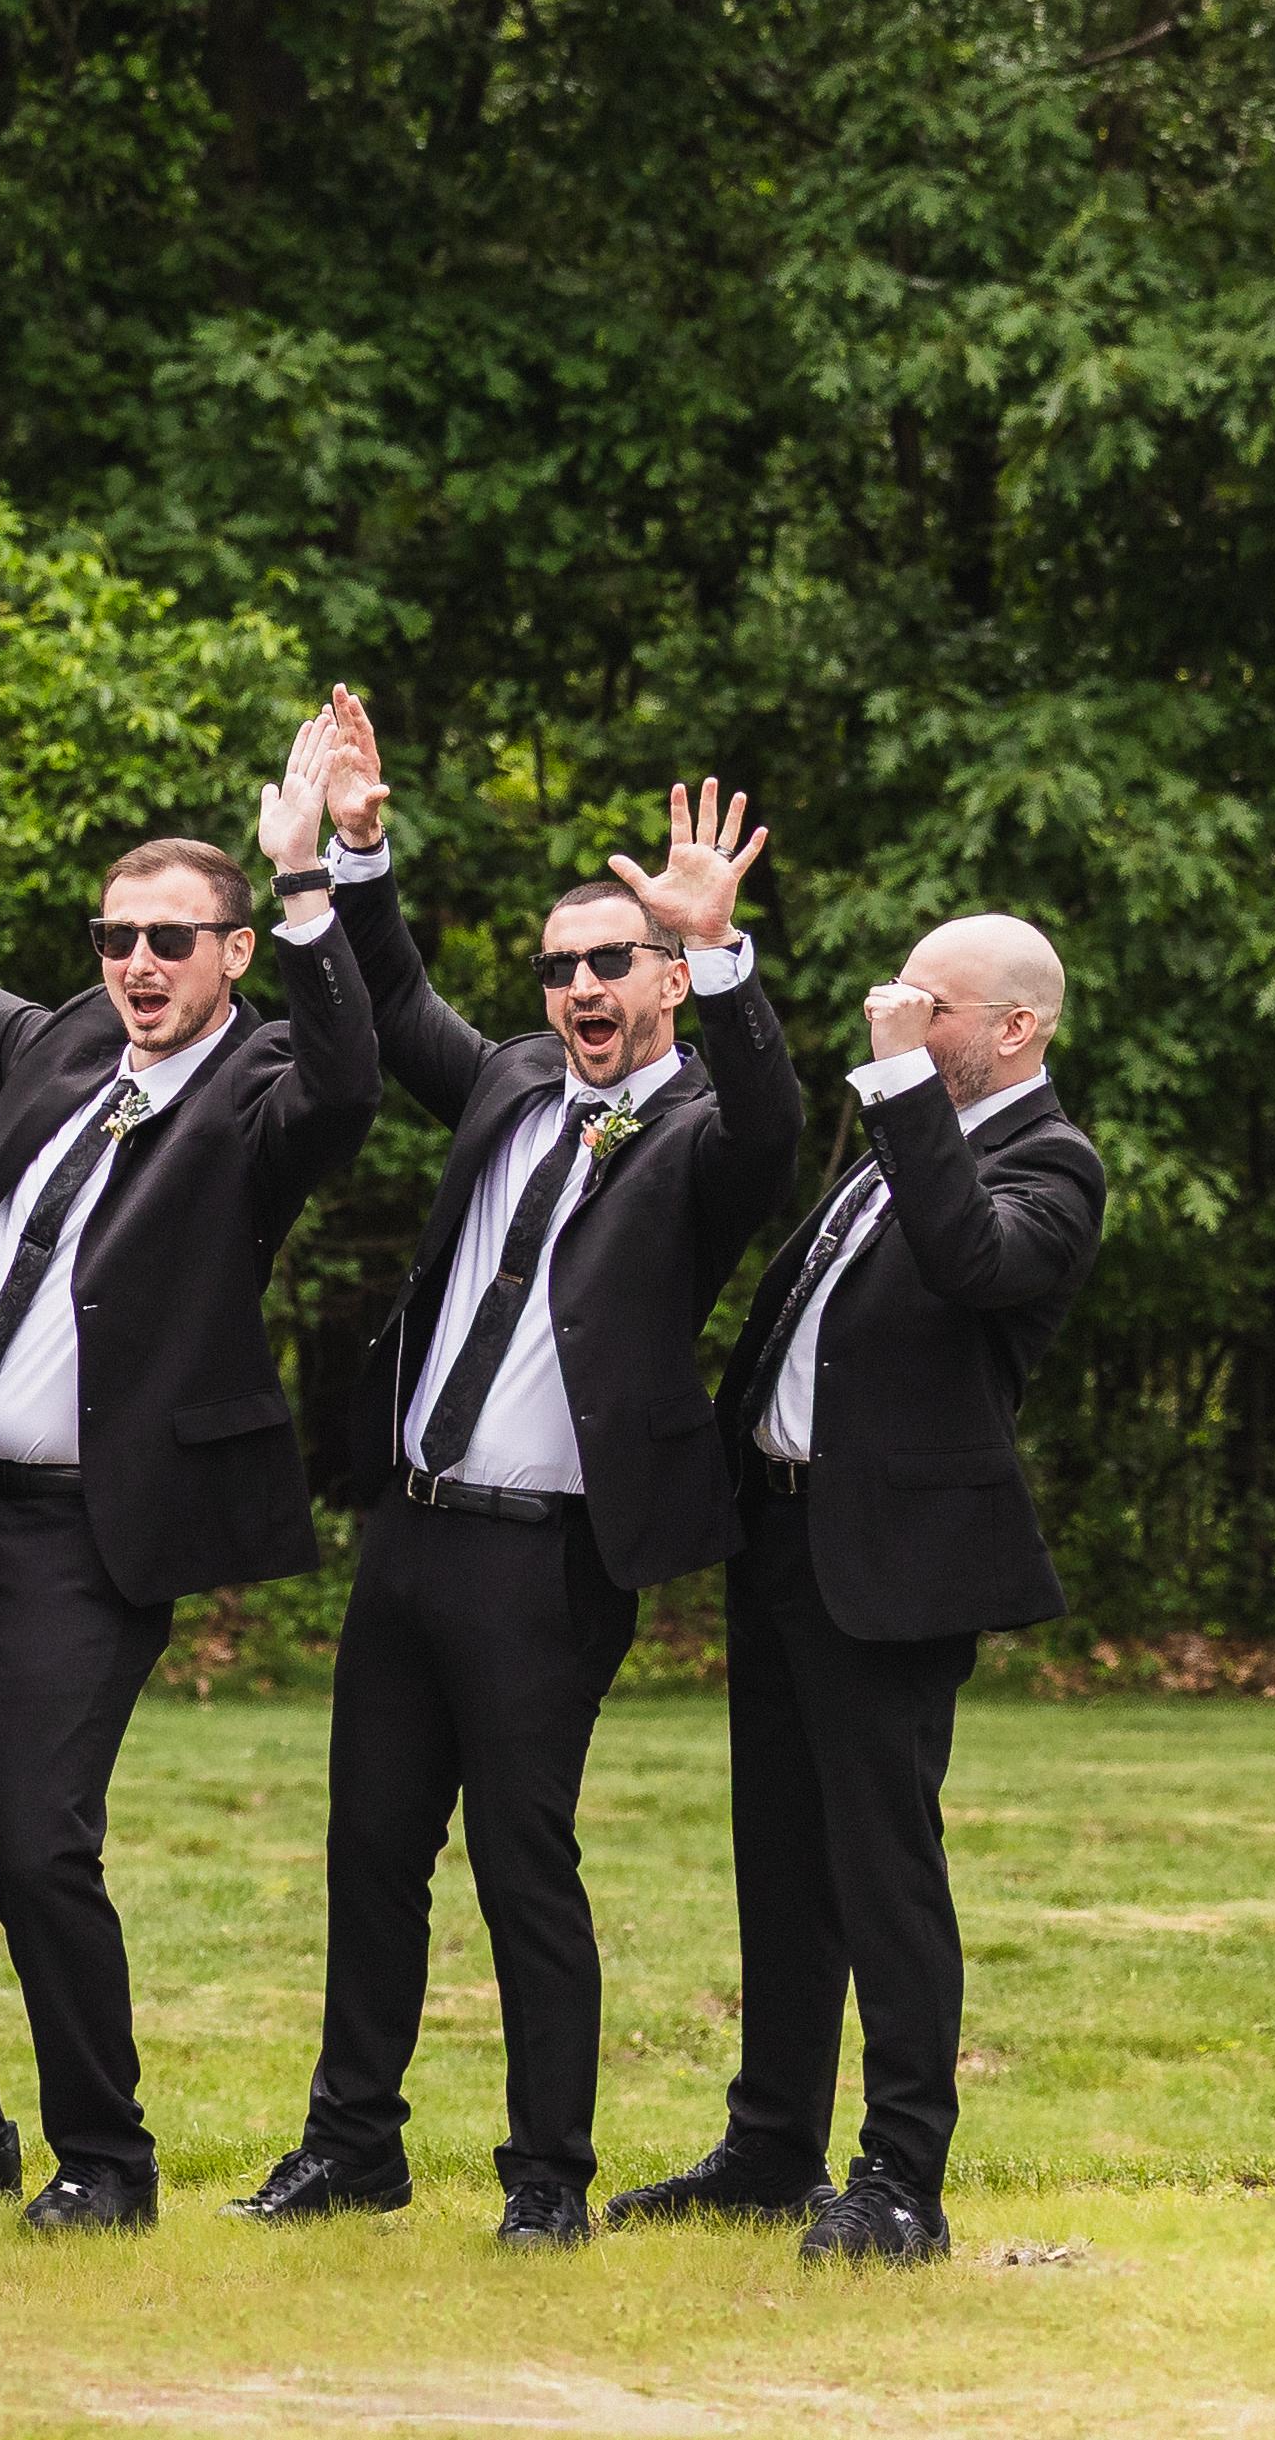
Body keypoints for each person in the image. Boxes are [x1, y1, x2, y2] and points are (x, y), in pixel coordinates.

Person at [0, 649, 375, 2233]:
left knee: (36, 1854)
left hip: (80, 1535)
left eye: (167, 939)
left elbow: (347, 1083)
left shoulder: (262, 1087)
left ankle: (105, 2161)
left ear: (229, 952)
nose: (136, 963)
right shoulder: (71, 1043)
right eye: (116, 937)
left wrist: (304, 875)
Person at [242, 716, 801, 2246]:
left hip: (548, 1562)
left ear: (665, 981)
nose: (578, 989)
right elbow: (395, 996)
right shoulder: (503, 1083)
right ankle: (349, 2145)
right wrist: (359, 848)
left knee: (518, 1862)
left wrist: (724, 945)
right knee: (370, 1849)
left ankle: (544, 2176)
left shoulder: (702, 1138)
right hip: (410, 1533)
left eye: (610, 962)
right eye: (559, 969)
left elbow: (773, 1121)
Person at [613, 909, 1101, 2266]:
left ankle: (900, 2179)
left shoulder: (1050, 1164)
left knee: (882, 1870)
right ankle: (771, 2146)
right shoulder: (899, 1140)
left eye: (926, 1004)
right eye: (898, 994)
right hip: (781, 1541)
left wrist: (895, 1084)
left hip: (891, 1565)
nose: (893, 1015)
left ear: (1014, 1028)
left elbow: (969, 1261)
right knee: (778, 1858)